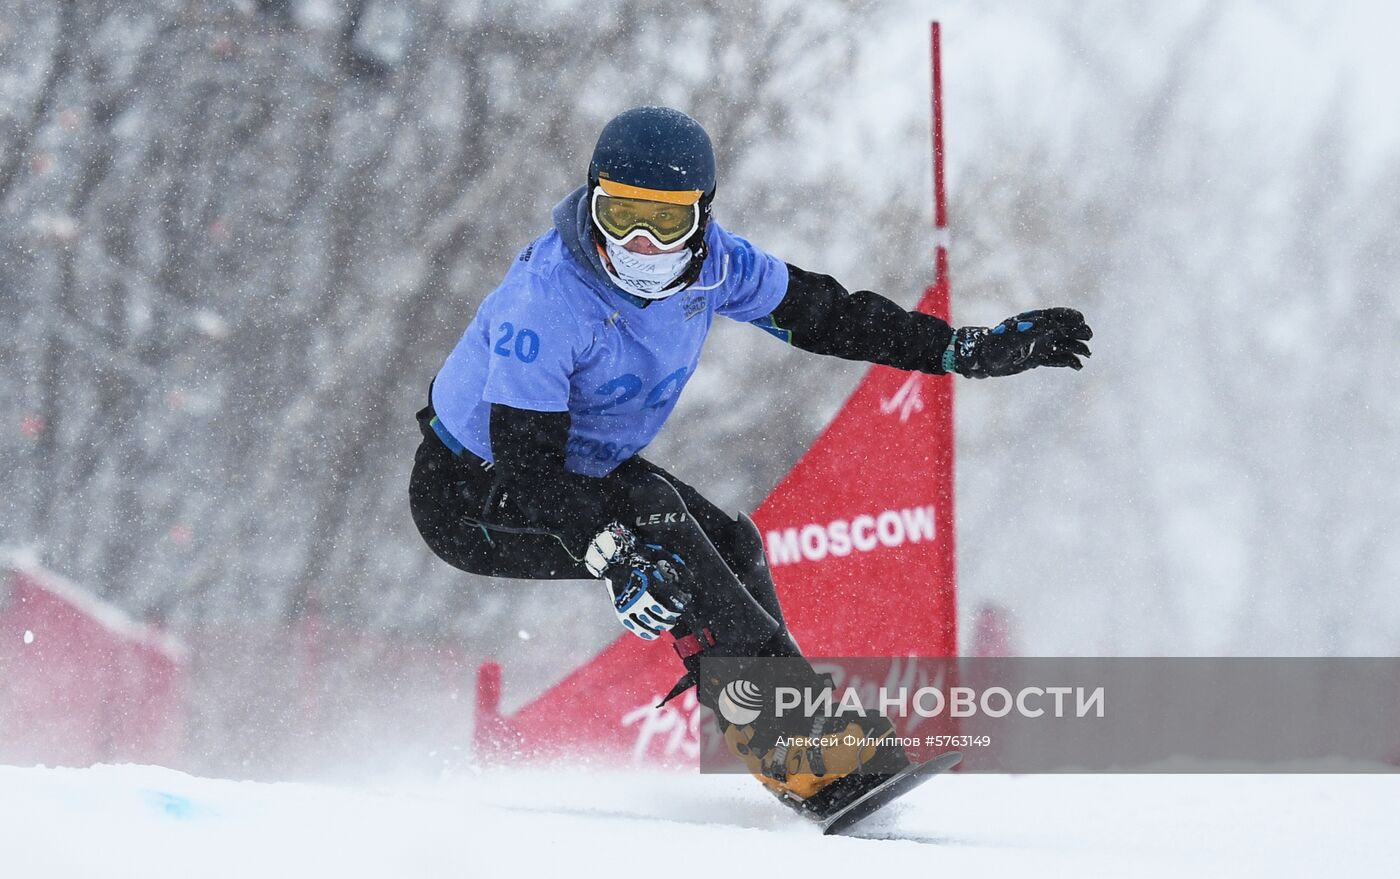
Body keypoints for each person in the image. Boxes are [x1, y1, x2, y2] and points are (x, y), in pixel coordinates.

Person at [410, 107, 1092, 817]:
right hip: (473, 493)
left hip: (582, 470)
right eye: (620, 216)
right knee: (666, 538)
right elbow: (527, 469)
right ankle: (804, 752)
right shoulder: (546, 300)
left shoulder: (718, 267)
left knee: (730, 546)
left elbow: (829, 315)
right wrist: (614, 557)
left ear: (701, 219)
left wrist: (960, 351)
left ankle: (799, 739)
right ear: (590, 201)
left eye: (665, 222)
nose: (640, 245)